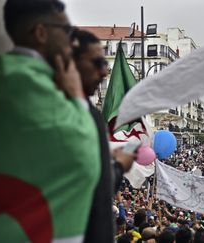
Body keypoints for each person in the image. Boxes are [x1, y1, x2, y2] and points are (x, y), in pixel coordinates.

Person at [0, 0, 101, 242]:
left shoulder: (23, 75)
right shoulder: (24, 81)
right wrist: (77, 98)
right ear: (41, 33)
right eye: (67, 32)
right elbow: (84, 158)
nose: (73, 42)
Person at [72, 29, 135, 242]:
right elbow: (92, 185)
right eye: (98, 62)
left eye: (106, 64)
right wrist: (118, 166)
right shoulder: (71, 115)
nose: (104, 72)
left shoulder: (83, 112)